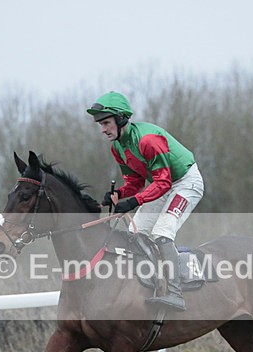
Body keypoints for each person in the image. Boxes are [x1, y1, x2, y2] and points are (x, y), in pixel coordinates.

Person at [87, 91, 205, 311]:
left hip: (186, 183)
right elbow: (135, 182)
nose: (103, 130)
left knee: (162, 233)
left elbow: (164, 183)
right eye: (100, 125)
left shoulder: (148, 140)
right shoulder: (117, 147)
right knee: (135, 234)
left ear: (121, 119)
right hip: (163, 184)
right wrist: (118, 195)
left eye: (106, 123)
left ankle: (175, 292)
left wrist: (133, 202)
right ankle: (147, 285)